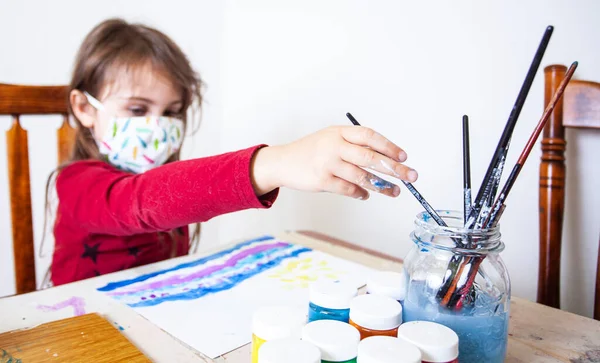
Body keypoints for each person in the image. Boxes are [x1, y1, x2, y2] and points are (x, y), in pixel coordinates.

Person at [48, 18, 418, 286]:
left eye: (172, 111)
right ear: (84, 109)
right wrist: (276, 162)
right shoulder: (75, 182)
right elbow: (138, 203)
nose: (158, 125)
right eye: (137, 109)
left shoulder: (169, 181)